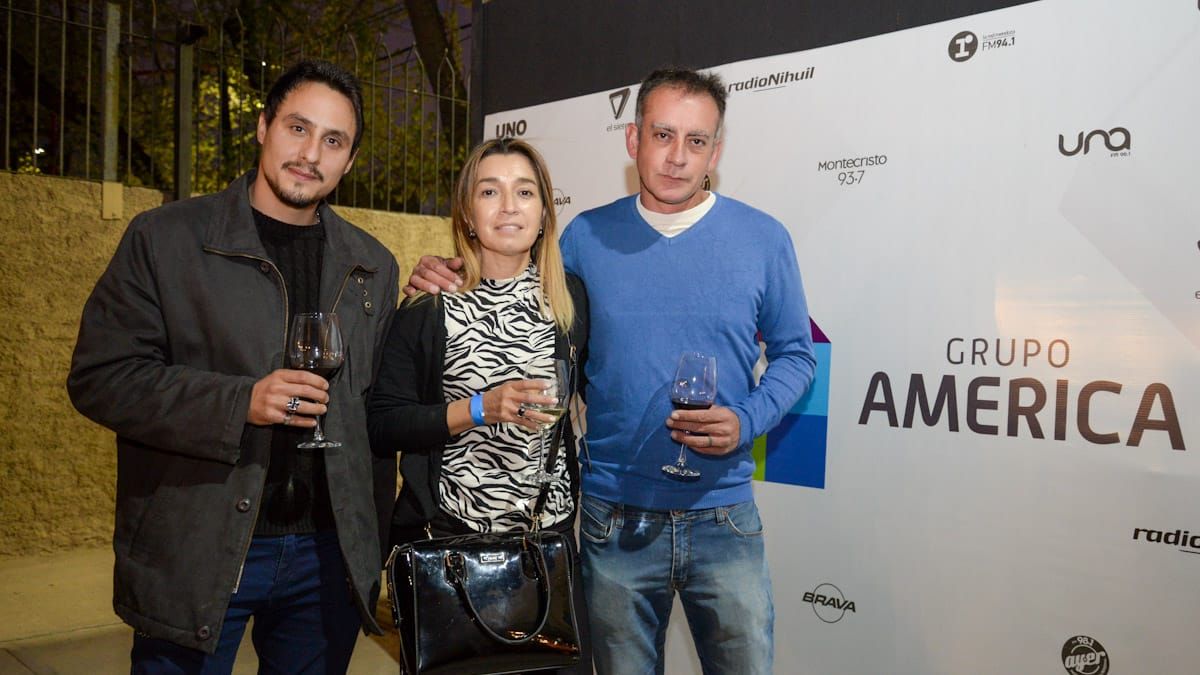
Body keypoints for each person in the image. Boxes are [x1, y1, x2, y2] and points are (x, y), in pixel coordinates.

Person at [405, 67, 816, 674]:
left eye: (696, 141)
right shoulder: (585, 237)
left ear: (717, 151)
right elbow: (514, 298)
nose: (677, 157)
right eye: (663, 135)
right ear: (633, 140)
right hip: (611, 521)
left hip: (724, 516)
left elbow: (796, 355)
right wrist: (444, 271)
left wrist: (748, 419)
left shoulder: (763, 238)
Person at [67, 60, 399, 673]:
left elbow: (377, 409)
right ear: (262, 127)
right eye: (297, 128)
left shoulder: (372, 264)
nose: (310, 154)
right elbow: (101, 377)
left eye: (333, 140)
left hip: (328, 558)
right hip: (199, 547)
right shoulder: (164, 239)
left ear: (349, 162)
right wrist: (238, 403)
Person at [367, 137, 590, 672]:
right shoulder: (429, 305)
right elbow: (382, 422)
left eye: (525, 192)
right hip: (451, 554)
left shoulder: (570, 299)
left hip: (547, 549)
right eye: (490, 191)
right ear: (468, 213)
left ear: (544, 214)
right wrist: (477, 409)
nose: (509, 205)